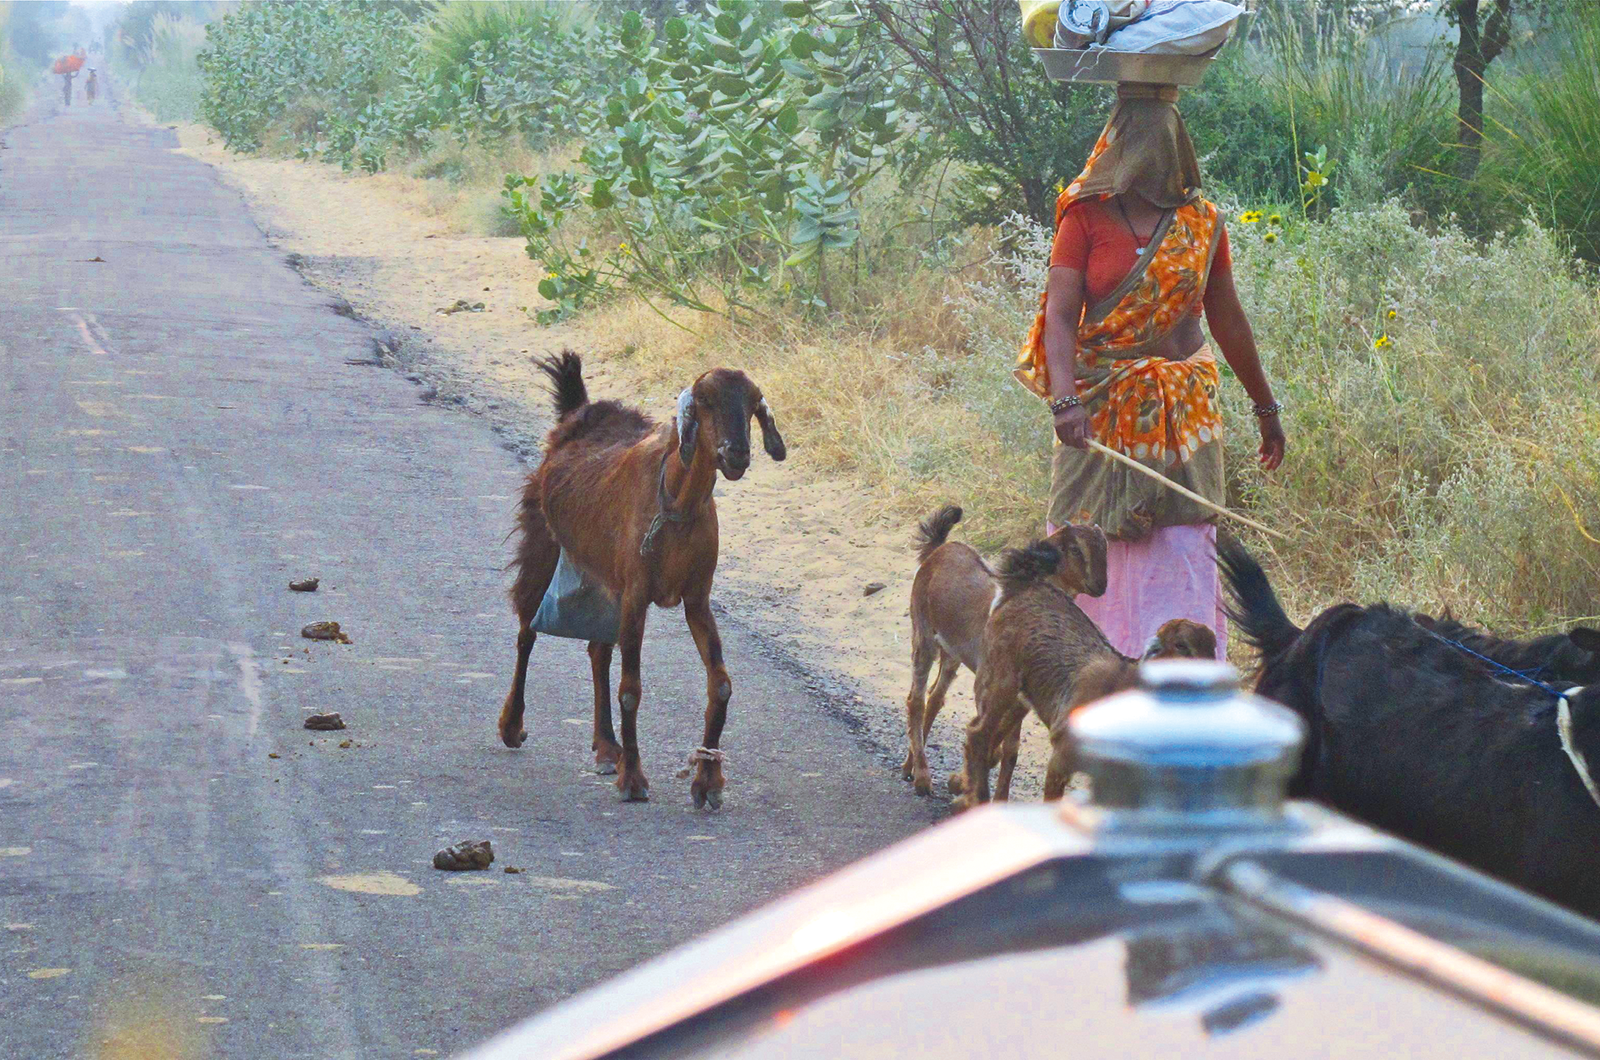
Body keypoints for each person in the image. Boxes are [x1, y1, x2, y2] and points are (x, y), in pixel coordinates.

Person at [1015, 83, 1286, 659]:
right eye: (1136, 135)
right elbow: (1059, 317)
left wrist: (1266, 408)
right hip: (1099, 407)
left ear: (1177, 144)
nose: (1145, 152)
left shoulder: (1204, 223)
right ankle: (1086, 682)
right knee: (1085, 542)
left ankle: (1181, 686)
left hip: (1183, 411)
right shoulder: (1083, 217)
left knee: (1183, 540)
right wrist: (1065, 400)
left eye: (1159, 136)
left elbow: (1228, 318)